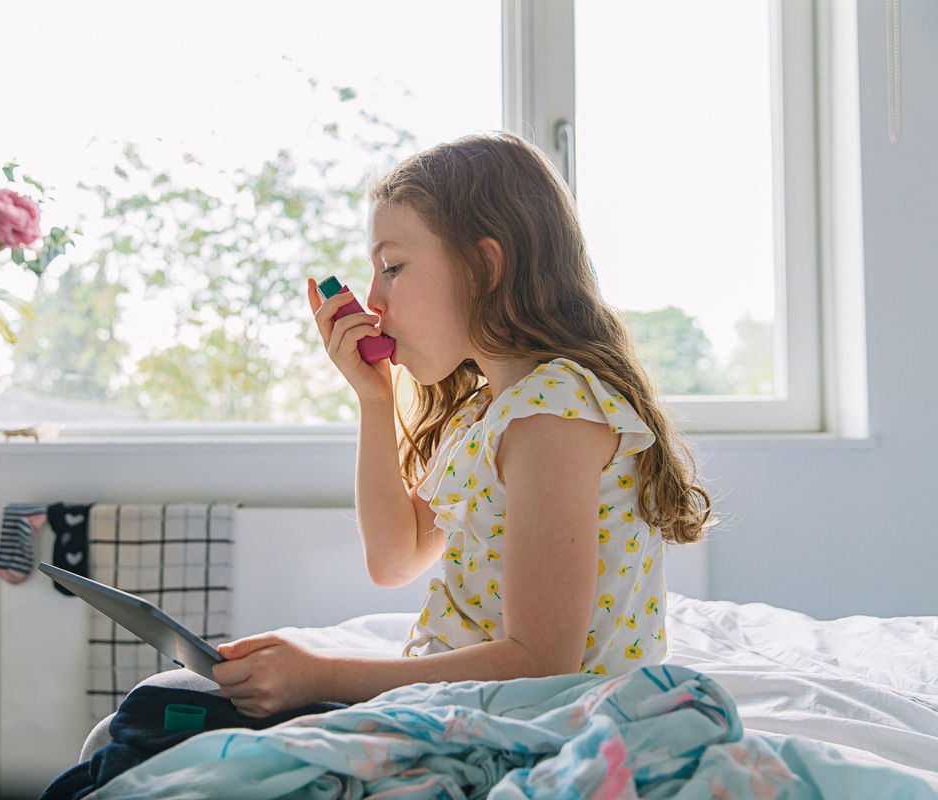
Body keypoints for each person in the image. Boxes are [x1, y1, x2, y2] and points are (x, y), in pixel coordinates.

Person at [207, 132, 713, 717]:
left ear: (485, 265)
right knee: (170, 710)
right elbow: (394, 560)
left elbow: (540, 662)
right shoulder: (487, 413)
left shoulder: (552, 415)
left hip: (530, 724)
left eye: (392, 267)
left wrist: (323, 677)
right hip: (466, 708)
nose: (374, 302)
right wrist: (375, 403)